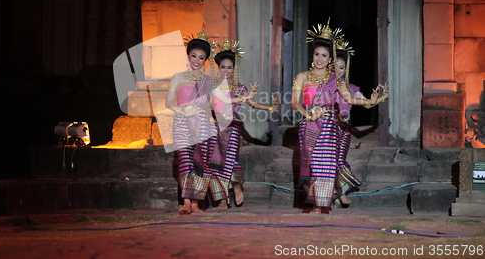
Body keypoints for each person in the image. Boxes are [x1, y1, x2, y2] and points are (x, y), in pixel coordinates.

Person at [291, 20, 388, 214]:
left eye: (324, 55)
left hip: (328, 127)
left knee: (325, 166)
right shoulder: (302, 76)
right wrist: (307, 114)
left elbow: (350, 98)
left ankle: (322, 205)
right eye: (316, 54)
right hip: (309, 125)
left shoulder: (336, 79)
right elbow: (294, 102)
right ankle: (317, 202)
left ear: (330, 58)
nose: (319, 58)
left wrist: (371, 101)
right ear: (312, 55)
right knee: (312, 166)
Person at [166, 31, 257, 214]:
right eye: (194, 56)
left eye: (201, 57)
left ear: (206, 59)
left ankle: (195, 204)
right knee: (184, 161)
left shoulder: (209, 81)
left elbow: (225, 99)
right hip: (182, 123)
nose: (197, 60)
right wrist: (182, 111)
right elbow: (168, 102)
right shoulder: (178, 76)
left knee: (200, 164)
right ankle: (185, 202)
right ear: (188, 55)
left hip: (202, 126)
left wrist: (245, 97)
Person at [210, 41, 279, 209]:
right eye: (223, 67)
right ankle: (222, 200)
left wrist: (271, 107)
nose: (226, 71)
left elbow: (253, 104)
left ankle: (237, 185)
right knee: (216, 164)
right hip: (215, 129)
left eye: (230, 67)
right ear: (218, 68)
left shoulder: (239, 88)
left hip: (232, 128)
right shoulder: (212, 86)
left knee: (231, 161)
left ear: (234, 69)